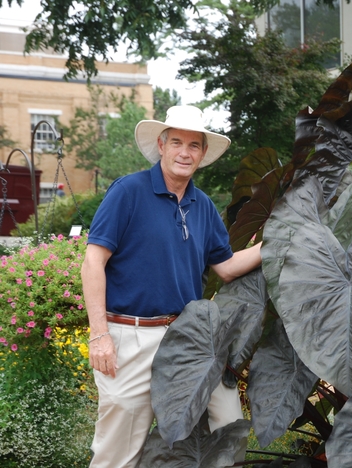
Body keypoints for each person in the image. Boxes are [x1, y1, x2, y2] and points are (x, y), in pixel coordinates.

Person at [81, 105, 262, 467]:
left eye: (194, 145)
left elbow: (225, 267)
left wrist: (275, 244)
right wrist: (99, 334)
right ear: (161, 146)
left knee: (228, 425)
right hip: (131, 337)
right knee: (118, 453)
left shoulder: (203, 205)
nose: (185, 152)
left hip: (191, 337)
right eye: (176, 142)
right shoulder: (128, 192)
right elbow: (92, 262)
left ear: (202, 153)